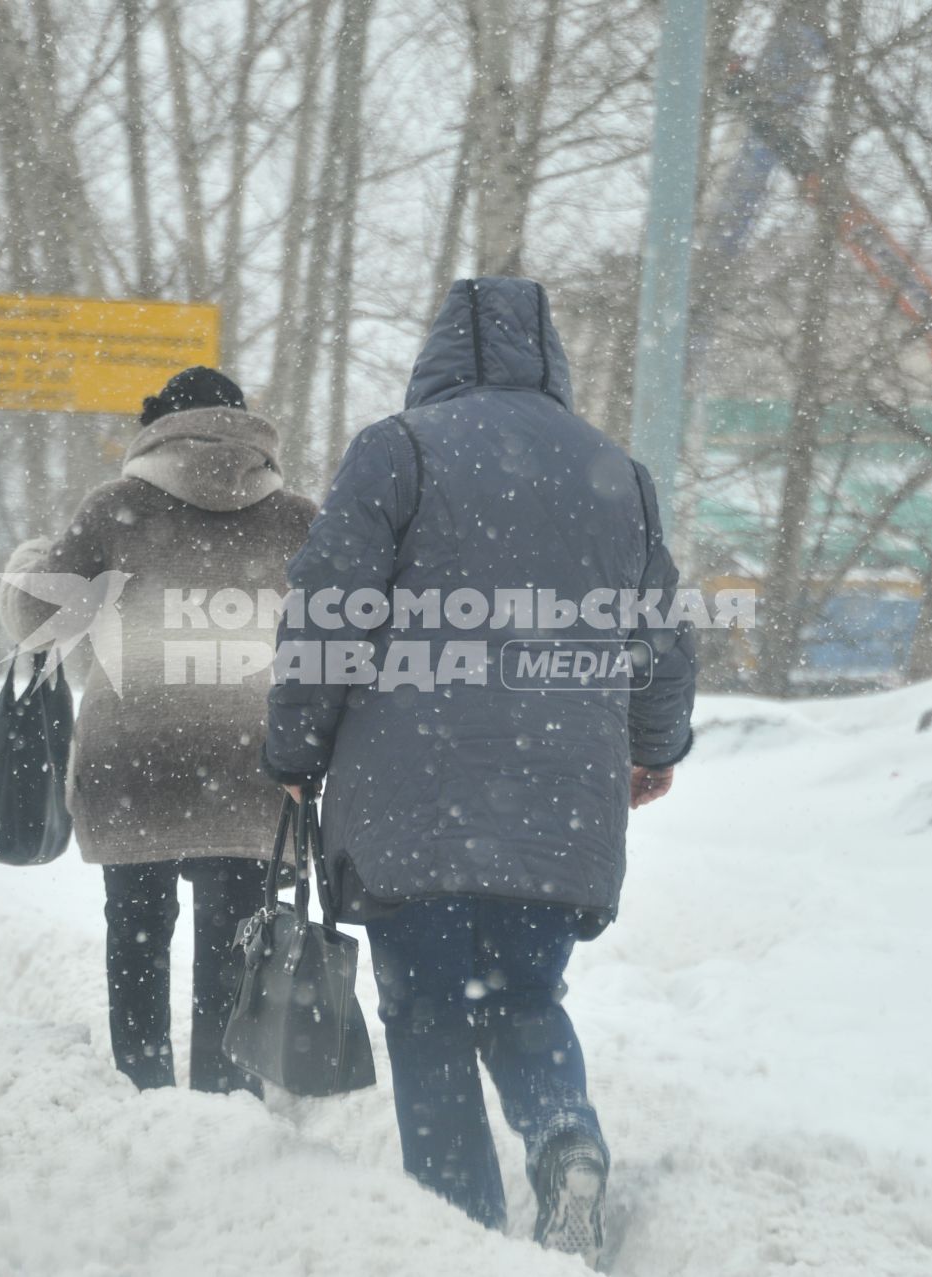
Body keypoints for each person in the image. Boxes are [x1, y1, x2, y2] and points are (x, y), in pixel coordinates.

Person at [263, 278, 696, 1260]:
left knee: (426, 1012)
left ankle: (460, 1235)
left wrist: (294, 746)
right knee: (524, 997)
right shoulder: (615, 472)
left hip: (414, 802)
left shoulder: (400, 448)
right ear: (550, 356)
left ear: (439, 354)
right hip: (561, 805)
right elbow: (663, 636)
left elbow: (325, 607)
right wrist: (653, 743)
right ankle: (563, 1135)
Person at [0, 366, 316, 1095]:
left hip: (134, 759)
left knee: (137, 933)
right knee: (238, 939)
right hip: (255, 760)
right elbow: (337, 633)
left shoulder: (116, 508)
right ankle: (228, 1101)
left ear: (157, 427)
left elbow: (37, 622)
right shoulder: (298, 519)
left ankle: (144, 1094)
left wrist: (23, 566)